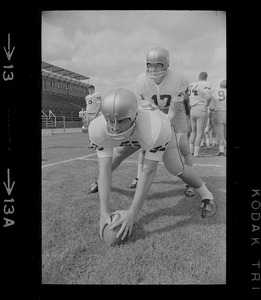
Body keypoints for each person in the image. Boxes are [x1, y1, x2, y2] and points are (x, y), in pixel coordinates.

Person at [88, 88, 216, 242]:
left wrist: (132, 213)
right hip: (134, 134)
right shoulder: (97, 129)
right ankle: (99, 185)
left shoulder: (154, 128)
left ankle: (207, 195)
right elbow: (104, 169)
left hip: (157, 130)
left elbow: (148, 170)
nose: (114, 127)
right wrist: (104, 211)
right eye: (109, 119)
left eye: (121, 120)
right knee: (116, 157)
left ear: (134, 115)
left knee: (176, 168)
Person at [127, 47, 195, 197]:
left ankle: (190, 182)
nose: (153, 68)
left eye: (158, 64)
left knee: (182, 145)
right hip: (155, 111)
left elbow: (174, 108)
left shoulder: (179, 78)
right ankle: (139, 177)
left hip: (175, 112)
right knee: (145, 146)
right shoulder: (141, 81)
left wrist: (165, 126)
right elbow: (147, 108)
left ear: (166, 65)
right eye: (149, 64)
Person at [188, 72, 212, 157]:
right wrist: (207, 104)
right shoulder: (205, 83)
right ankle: (196, 153)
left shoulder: (192, 84)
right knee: (199, 133)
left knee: (192, 132)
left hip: (192, 108)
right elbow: (209, 96)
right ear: (206, 77)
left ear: (199, 77)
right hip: (201, 107)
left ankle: (190, 151)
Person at [210, 80, 226, 156]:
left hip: (219, 113)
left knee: (220, 135)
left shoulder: (215, 91)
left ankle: (221, 151)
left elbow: (211, 107)